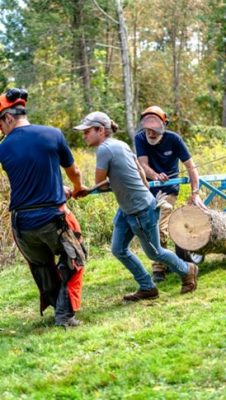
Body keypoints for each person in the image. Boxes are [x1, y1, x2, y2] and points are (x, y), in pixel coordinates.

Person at [73, 111, 198, 302]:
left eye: (87, 131)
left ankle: (187, 269)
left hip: (139, 209)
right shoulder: (120, 144)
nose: (84, 135)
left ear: (100, 130)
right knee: (118, 249)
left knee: (155, 252)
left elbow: (101, 182)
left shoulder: (104, 150)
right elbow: (140, 170)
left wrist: (88, 189)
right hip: (128, 208)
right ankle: (147, 287)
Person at [0, 87, 88, 327]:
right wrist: (76, 187)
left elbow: (27, 177)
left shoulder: (3, 148)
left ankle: (56, 306)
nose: (1, 130)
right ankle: (65, 314)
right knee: (75, 258)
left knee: (42, 266)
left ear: (8, 117)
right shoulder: (53, 134)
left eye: (0, 124)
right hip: (53, 218)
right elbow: (74, 172)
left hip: (22, 225)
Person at [135, 106, 206, 282]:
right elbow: (142, 164)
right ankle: (167, 261)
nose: (150, 133)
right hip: (148, 190)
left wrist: (195, 193)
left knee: (158, 225)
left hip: (168, 191)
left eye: (155, 129)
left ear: (163, 125)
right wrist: (155, 175)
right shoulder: (139, 138)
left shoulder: (174, 139)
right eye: (147, 129)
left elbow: (191, 166)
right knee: (147, 226)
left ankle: (159, 267)